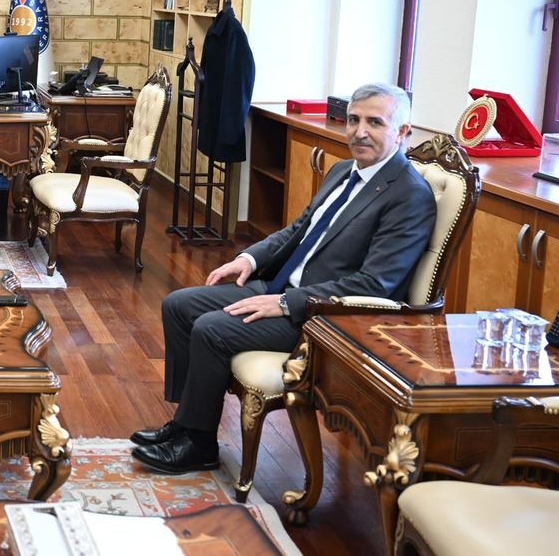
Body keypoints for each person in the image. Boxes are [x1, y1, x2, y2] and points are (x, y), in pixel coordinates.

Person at [130, 83, 436, 474]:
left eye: (375, 123)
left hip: (325, 317)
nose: (360, 132)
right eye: (354, 120)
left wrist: (285, 302)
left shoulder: (409, 196)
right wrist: (249, 258)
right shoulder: (343, 171)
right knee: (179, 305)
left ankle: (199, 444)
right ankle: (186, 423)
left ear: (402, 131)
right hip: (283, 287)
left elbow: (373, 285)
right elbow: (298, 230)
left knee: (211, 329)